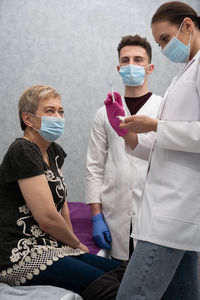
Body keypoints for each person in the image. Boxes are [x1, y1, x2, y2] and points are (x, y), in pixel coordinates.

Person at [104, 1, 200, 299]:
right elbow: (166, 149)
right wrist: (129, 133)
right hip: (171, 212)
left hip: (174, 211)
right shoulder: (185, 73)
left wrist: (155, 125)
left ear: (187, 25)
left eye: (164, 40)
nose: (163, 48)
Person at [0, 85, 127, 300]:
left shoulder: (53, 150)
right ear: (28, 119)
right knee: (107, 288)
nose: (58, 117)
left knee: (124, 273)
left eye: (61, 111)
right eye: (49, 111)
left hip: (52, 245)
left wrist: (72, 245)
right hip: (22, 253)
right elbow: (48, 219)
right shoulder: (23, 150)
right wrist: (76, 244)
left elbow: (61, 204)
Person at [85, 35, 162, 261]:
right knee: (117, 282)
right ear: (118, 68)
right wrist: (96, 216)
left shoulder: (162, 108)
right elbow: (94, 167)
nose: (131, 65)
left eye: (138, 60)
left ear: (150, 67)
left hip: (153, 211)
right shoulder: (104, 113)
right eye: (125, 60)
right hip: (113, 214)